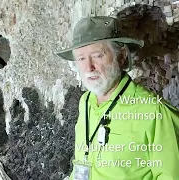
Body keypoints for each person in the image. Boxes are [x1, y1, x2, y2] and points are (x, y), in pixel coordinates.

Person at [55, 16, 179, 179]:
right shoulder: (85, 102)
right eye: (81, 58)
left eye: (97, 55)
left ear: (121, 57)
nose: (88, 67)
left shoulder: (155, 113)